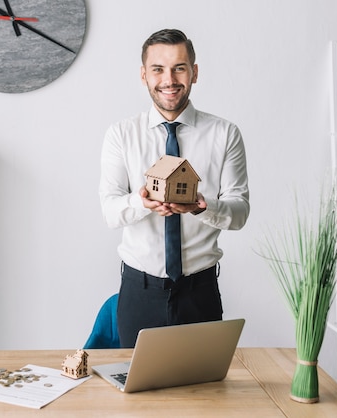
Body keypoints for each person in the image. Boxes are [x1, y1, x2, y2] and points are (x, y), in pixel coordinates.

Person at [99, 29, 250, 348]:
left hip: (200, 292)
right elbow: (111, 212)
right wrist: (144, 202)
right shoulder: (121, 135)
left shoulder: (224, 134)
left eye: (179, 67)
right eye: (158, 69)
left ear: (195, 72)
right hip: (139, 293)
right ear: (144, 75)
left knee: (205, 393)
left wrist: (201, 207)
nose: (169, 79)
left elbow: (239, 213)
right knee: (138, 394)